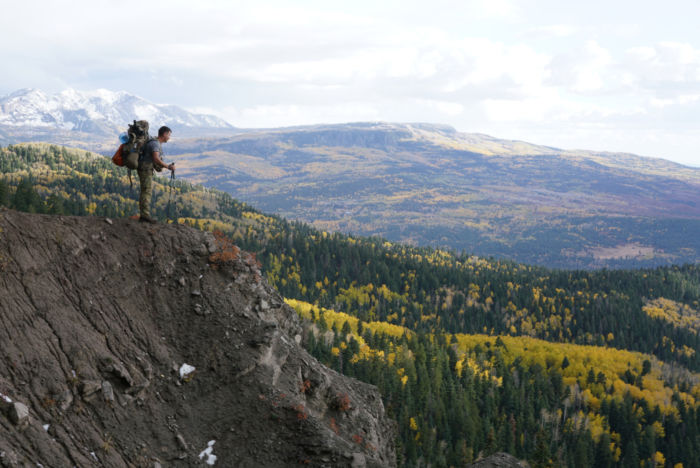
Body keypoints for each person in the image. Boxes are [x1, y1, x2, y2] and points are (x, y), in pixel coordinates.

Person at [138, 126, 175, 223]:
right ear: (164, 134)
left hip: (144, 168)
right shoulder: (155, 144)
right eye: (169, 135)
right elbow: (156, 159)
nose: (169, 137)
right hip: (145, 169)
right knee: (146, 191)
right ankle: (144, 216)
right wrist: (168, 166)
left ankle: (144, 215)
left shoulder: (154, 142)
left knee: (146, 190)